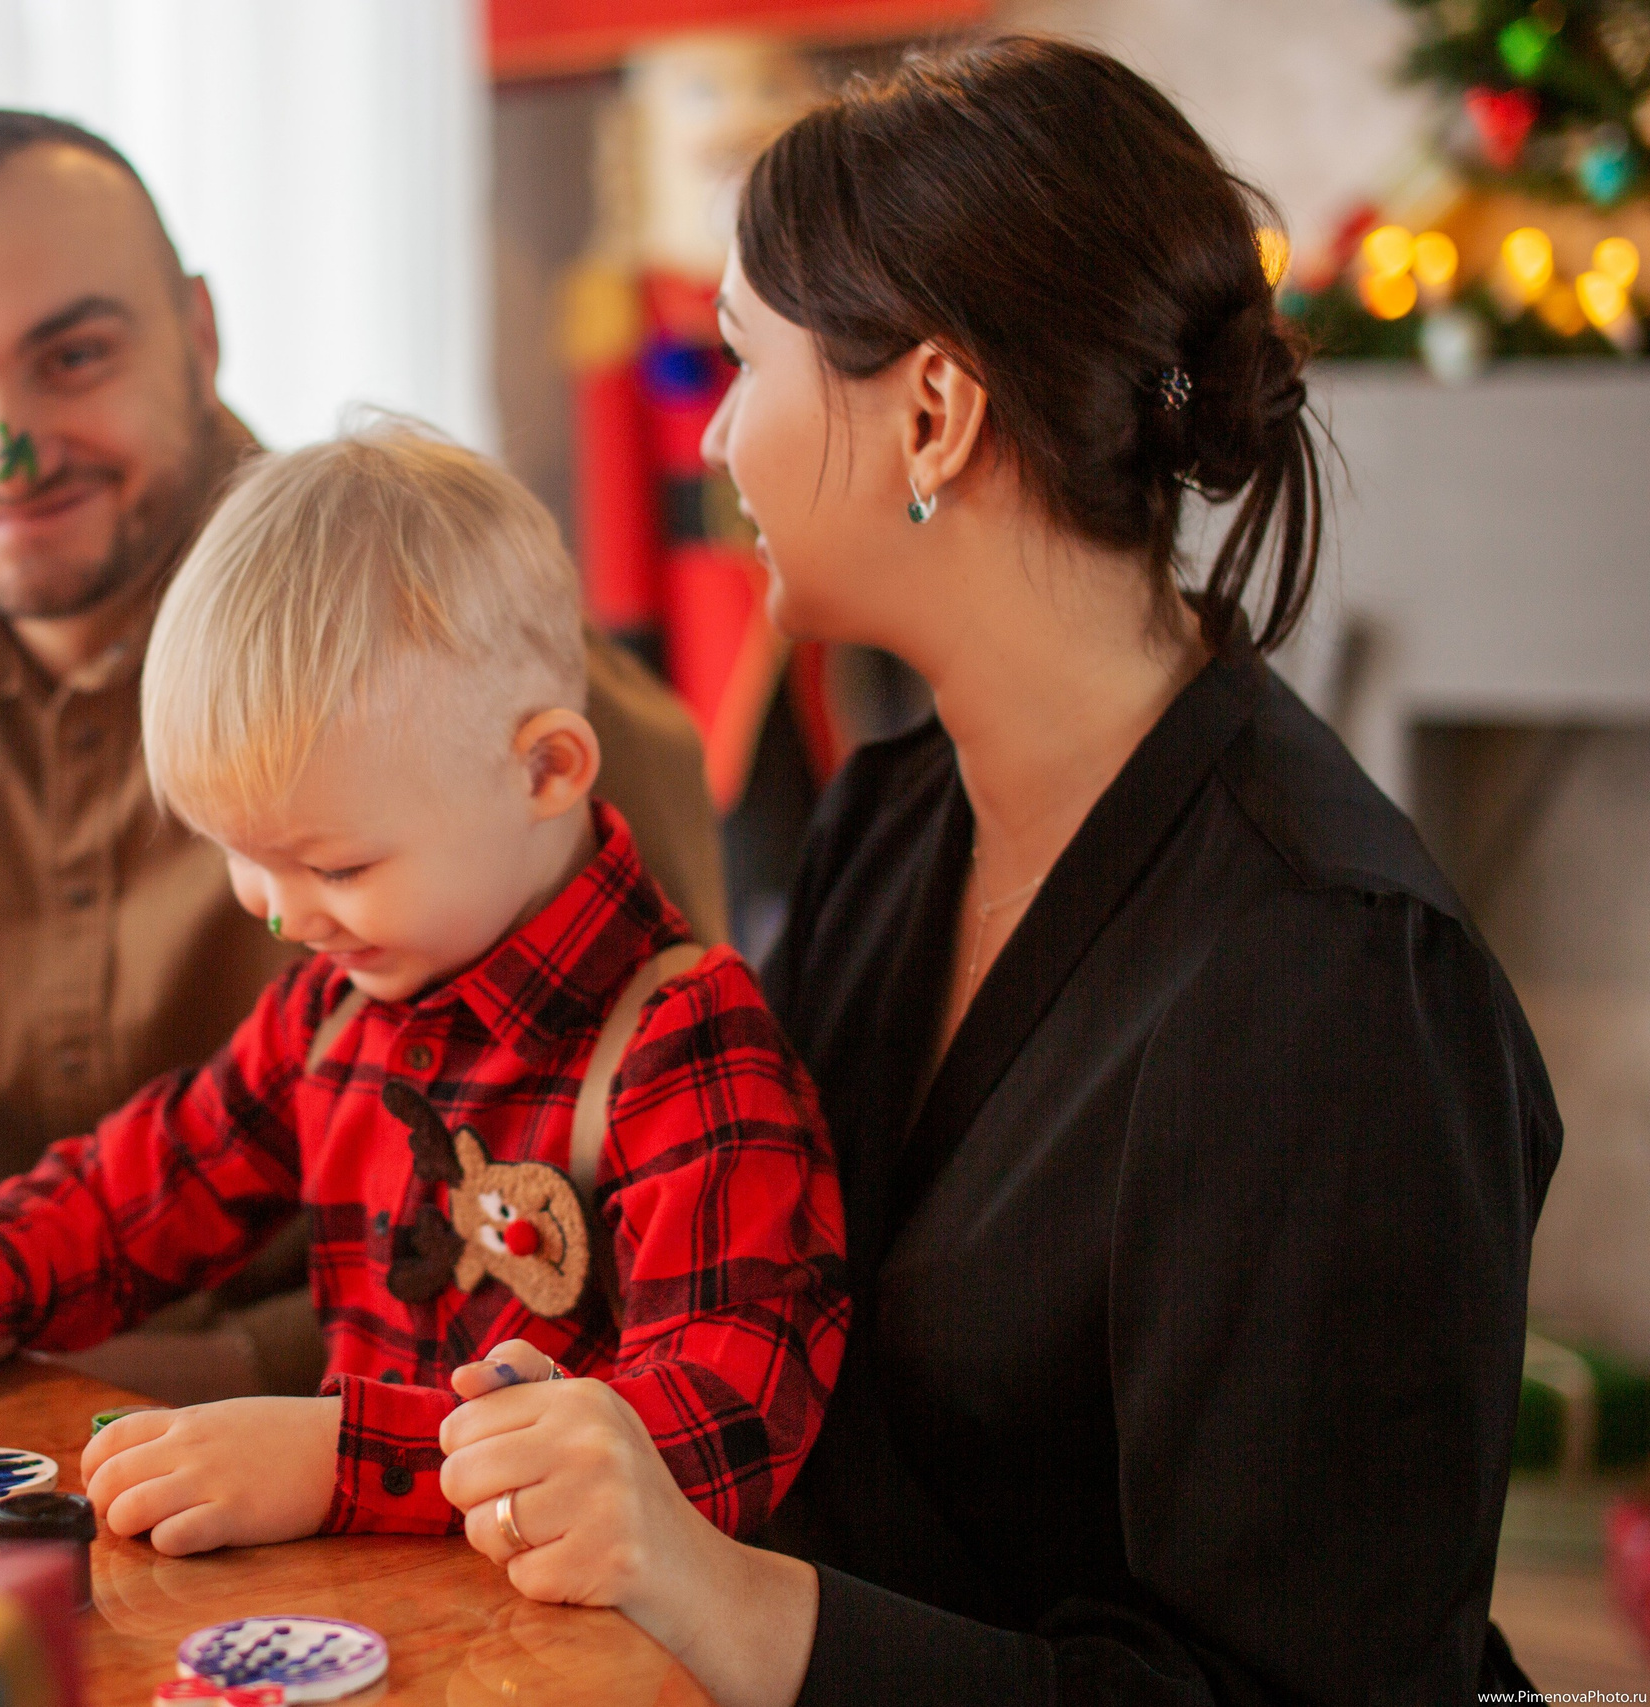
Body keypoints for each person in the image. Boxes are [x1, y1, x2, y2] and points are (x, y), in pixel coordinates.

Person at [433, 37, 1560, 1706]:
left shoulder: (1330, 978)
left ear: (934, 412)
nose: (720, 438)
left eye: (745, 365)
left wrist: (734, 1602)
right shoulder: (895, 822)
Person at [0, 110, 727, 1417]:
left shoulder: (452, 649)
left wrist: (251, 1399)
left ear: (199, 334)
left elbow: (635, 1262)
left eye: (73, 356)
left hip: (400, 1433)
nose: (7, 448)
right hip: (20, 1391)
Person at [0, 425, 847, 1557]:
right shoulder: (334, 1011)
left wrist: (341, 1461)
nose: (278, 914)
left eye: (335, 867)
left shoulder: (682, 1046)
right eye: (240, 856)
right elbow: (126, 1207)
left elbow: (724, 1432)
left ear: (545, 770)